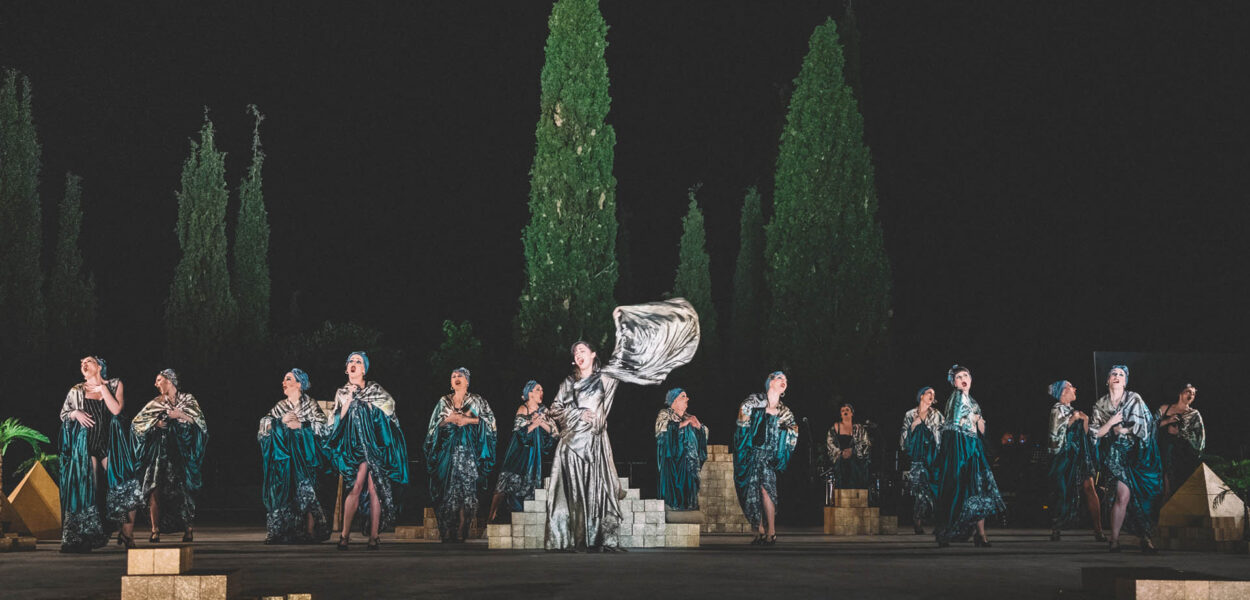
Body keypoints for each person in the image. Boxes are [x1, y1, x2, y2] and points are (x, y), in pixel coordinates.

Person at [545, 299, 700, 552]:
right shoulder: (568, 384)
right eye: (575, 353)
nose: (578, 355)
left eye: (582, 350)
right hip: (571, 446)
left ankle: (601, 540)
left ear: (593, 354)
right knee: (575, 495)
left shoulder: (605, 379)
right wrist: (577, 413)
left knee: (599, 493)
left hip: (596, 445)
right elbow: (554, 409)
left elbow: (623, 357)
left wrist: (620, 323)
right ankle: (576, 540)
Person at [325, 352, 409, 551]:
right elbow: (336, 419)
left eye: (358, 361)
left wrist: (370, 406)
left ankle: (374, 536)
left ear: (364, 369)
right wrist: (350, 400)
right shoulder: (342, 392)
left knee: (374, 488)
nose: (353, 364)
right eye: (350, 361)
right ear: (347, 368)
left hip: (375, 445)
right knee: (356, 486)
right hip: (355, 447)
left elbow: (389, 409)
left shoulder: (375, 390)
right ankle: (345, 535)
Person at [58, 356, 139, 551]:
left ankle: (127, 533)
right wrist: (75, 413)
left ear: (99, 366)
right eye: (81, 363)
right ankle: (87, 535)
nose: (84, 365)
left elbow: (116, 410)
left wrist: (102, 389)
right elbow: (64, 414)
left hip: (109, 444)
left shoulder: (114, 384)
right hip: (86, 444)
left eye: (88, 361)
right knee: (89, 488)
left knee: (126, 485)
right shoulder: (76, 390)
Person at [130, 369, 208, 543]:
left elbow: (200, 424)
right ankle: (155, 529)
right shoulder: (156, 402)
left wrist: (179, 415)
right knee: (154, 487)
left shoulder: (188, 399)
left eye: (159, 380)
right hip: (159, 452)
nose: (156, 384)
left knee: (183, 489)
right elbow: (137, 424)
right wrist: (155, 423)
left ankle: (188, 529)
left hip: (181, 452)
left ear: (169, 381)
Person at [1091, 365, 1162, 553]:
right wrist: (1111, 423)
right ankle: (1114, 540)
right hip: (1116, 455)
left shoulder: (1134, 398)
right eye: (1113, 374)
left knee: (1141, 497)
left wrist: (1124, 429)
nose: (1117, 376)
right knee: (1122, 496)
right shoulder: (1100, 405)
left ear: (1125, 381)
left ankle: (1145, 538)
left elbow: (1146, 425)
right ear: (1108, 380)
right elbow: (1096, 433)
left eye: (1121, 375)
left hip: (1138, 455)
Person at [933, 365, 1005, 547]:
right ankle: (949, 531)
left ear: (971, 379)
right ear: (954, 383)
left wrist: (978, 422)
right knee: (960, 487)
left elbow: (980, 429)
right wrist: (974, 419)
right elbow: (955, 423)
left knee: (978, 488)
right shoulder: (957, 396)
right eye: (958, 377)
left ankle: (980, 534)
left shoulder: (973, 401)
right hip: (961, 448)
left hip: (972, 447)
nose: (963, 379)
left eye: (966, 375)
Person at [423, 367, 497, 543]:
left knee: (467, 491)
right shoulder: (444, 401)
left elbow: (490, 423)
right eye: (453, 376)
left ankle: (463, 527)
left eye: (460, 376)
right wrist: (449, 419)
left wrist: (466, 420)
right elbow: (433, 427)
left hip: (468, 452)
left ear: (467, 381)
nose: (456, 378)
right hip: (447, 453)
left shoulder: (477, 401)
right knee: (448, 491)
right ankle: (447, 529)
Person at [258, 368, 331, 544]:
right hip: (285, 458)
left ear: (299, 384)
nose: (284, 382)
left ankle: (310, 531)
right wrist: (280, 422)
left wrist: (301, 426)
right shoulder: (280, 406)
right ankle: (282, 531)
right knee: (282, 490)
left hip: (306, 457)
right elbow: (263, 426)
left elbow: (324, 428)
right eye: (284, 379)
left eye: (288, 379)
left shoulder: (310, 404)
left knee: (308, 489)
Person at [733, 371, 799, 546]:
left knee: (766, 489)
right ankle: (759, 530)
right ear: (770, 381)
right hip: (752, 453)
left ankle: (772, 531)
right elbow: (743, 418)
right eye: (780, 378)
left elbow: (793, 430)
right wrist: (765, 412)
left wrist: (780, 424)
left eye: (786, 380)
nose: (784, 381)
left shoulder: (785, 411)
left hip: (769, 456)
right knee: (752, 491)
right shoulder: (755, 400)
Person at [1045, 380, 1103, 541]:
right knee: (1063, 491)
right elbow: (1055, 435)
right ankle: (1056, 527)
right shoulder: (1057, 409)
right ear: (1063, 391)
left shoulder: (1075, 411)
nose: (1075, 389)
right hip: (1065, 458)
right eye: (1071, 386)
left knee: (1090, 488)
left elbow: (1086, 435)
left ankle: (1098, 530)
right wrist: (1073, 419)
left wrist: (1085, 420)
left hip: (1081, 456)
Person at [489, 380, 556, 522]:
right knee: (504, 481)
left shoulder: (544, 410)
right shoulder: (523, 408)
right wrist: (534, 423)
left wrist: (541, 422)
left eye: (542, 390)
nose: (541, 392)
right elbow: (518, 432)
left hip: (533, 453)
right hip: (518, 451)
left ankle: (524, 519)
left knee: (529, 485)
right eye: (538, 389)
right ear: (530, 393)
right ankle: (491, 516)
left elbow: (554, 432)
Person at [899, 386, 944, 535]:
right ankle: (917, 521)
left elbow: (943, 435)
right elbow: (903, 440)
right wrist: (913, 425)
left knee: (935, 489)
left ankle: (939, 523)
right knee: (919, 491)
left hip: (933, 457)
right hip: (917, 458)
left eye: (933, 394)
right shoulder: (910, 414)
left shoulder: (936, 414)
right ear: (921, 396)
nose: (932, 395)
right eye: (929, 393)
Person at [655, 388, 708, 511]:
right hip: (673, 461)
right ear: (674, 401)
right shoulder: (665, 414)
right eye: (683, 396)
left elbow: (704, 433)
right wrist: (685, 424)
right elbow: (662, 430)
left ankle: (689, 505)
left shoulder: (689, 416)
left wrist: (698, 427)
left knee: (690, 485)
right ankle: (674, 505)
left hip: (690, 461)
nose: (687, 399)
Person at [1156, 383, 1205, 498]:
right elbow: (1148, 425)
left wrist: (1180, 433)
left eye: (1193, 394)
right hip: (1161, 451)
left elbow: (1199, 437)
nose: (1191, 395)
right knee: (1163, 488)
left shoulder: (1194, 414)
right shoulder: (1164, 408)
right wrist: (1167, 421)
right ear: (1180, 393)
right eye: (1188, 392)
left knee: (1177, 487)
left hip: (1181, 455)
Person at [826, 403, 871, 489]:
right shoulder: (834, 428)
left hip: (856, 462)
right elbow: (830, 444)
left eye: (847, 410)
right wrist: (841, 453)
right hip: (840, 461)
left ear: (852, 413)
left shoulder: (859, 428)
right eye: (843, 410)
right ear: (840, 414)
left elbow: (865, 443)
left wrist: (853, 451)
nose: (845, 412)